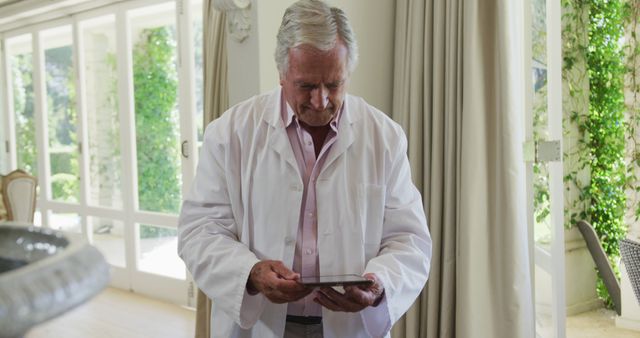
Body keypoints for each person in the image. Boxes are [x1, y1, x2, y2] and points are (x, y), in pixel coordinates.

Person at [178, 0, 431, 337]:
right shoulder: (230, 133)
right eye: (307, 86)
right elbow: (200, 231)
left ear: (348, 72)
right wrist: (251, 273)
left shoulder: (384, 137)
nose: (321, 101)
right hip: (264, 324)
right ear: (282, 73)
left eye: (334, 84)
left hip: (347, 327)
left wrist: (380, 284)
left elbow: (408, 239)